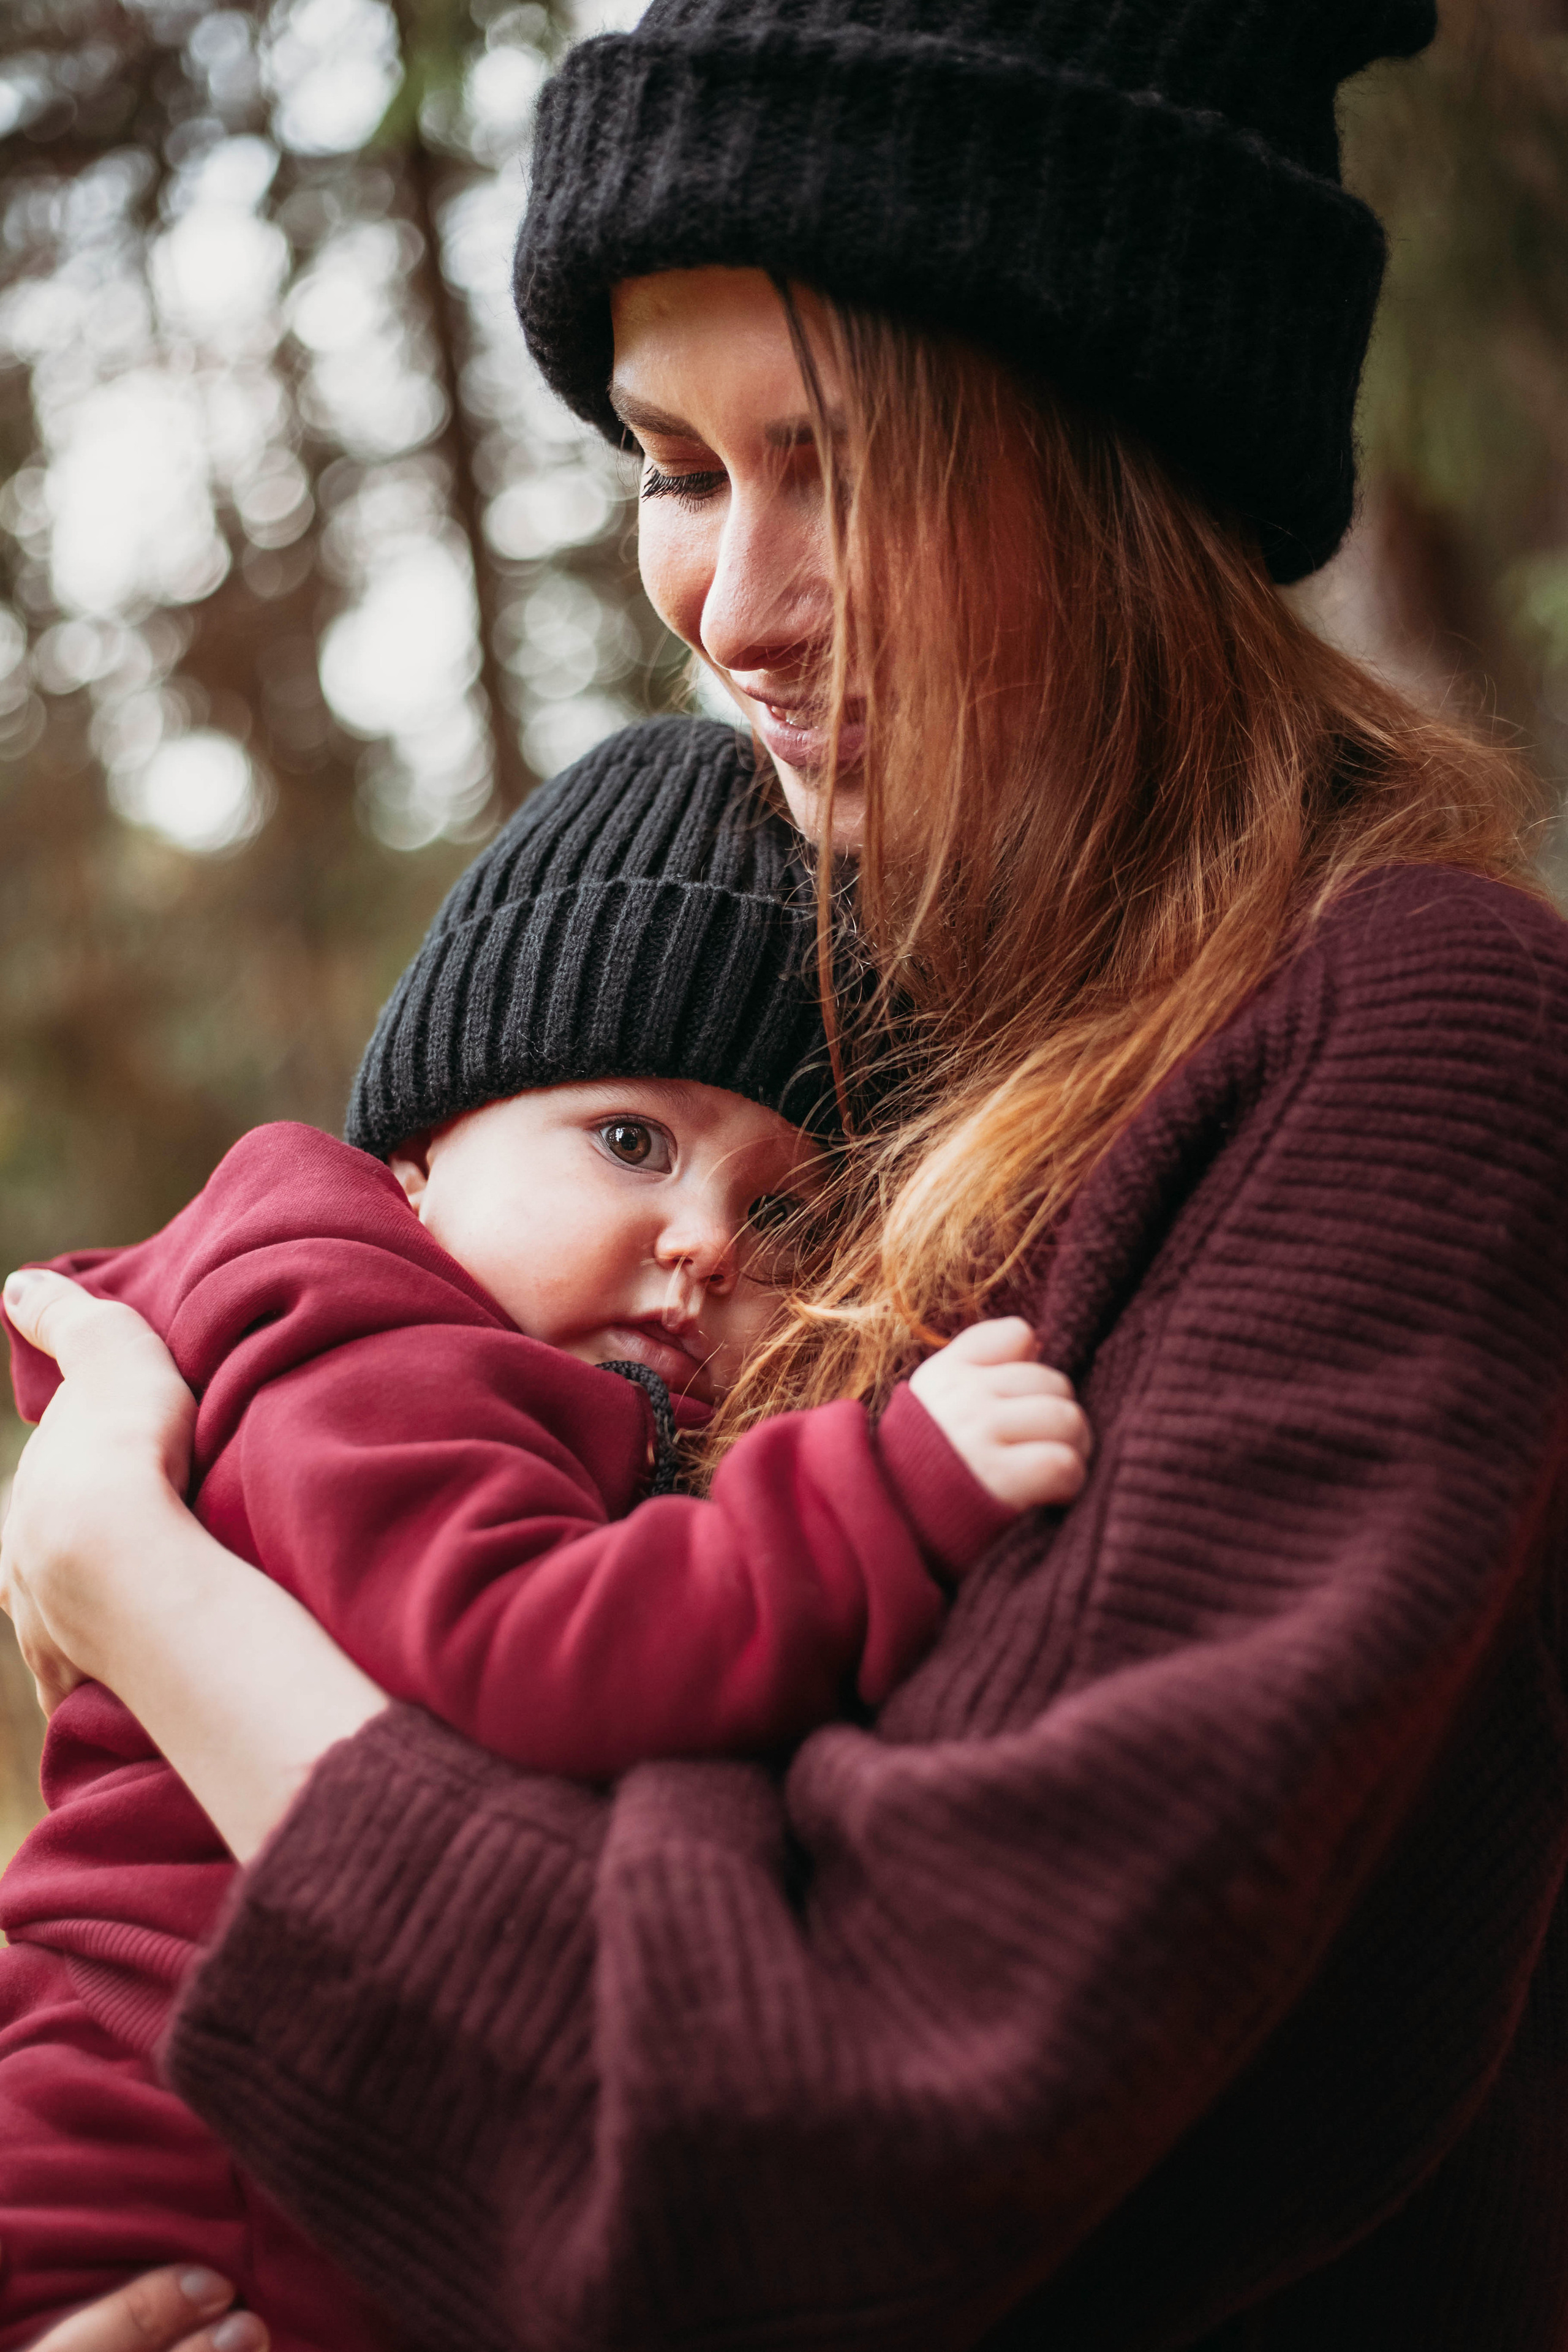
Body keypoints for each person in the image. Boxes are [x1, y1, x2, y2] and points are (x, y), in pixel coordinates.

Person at [7, 0, 1568, 2345]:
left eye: (834, 463)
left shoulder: (1416, 1040)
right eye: (675, 467)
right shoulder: (853, 1038)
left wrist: (145, 1592)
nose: (736, 610)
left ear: (1118, 444)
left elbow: (856, 2107)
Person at [0, 719, 1088, 2352]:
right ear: (425, 1151)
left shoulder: (498, 1385)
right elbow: (532, 1651)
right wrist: (889, 1494)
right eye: (631, 1142)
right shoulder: (374, 1361)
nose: (706, 1243)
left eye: (784, 1210)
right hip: (165, 2151)